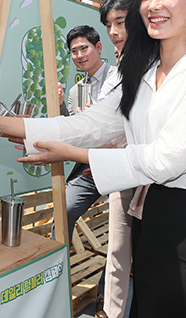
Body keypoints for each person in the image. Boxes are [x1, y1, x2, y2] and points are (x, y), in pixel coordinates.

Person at [0, 0, 186, 317]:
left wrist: (74, 155)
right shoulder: (142, 70)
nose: (154, 5)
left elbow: (167, 159)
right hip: (150, 215)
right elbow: (87, 125)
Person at [95, 0, 135, 318]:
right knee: (118, 252)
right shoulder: (119, 66)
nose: (113, 32)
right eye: (109, 24)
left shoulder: (160, 62)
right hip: (120, 172)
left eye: (120, 22)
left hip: (156, 178)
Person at [57, 25, 114, 243]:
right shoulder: (75, 91)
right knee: (63, 213)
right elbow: (72, 128)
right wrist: (61, 106)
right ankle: (58, 270)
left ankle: (117, 275)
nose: (79, 55)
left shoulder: (120, 77)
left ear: (98, 47)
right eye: (74, 51)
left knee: (126, 226)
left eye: (84, 48)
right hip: (88, 167)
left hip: (119, 162)